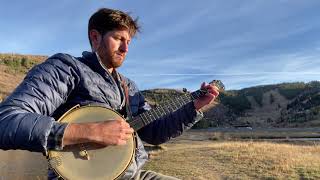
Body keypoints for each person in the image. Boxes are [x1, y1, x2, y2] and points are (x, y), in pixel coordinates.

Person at [0, 8, 219, 180]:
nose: (125, 48)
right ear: (95, 38)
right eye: (118, 39)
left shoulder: (129, 87)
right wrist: (90, 131)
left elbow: (154, 133)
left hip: (133, 175)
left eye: (128, 42)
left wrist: (193, 107)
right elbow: (7, 121)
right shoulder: (67, 68)